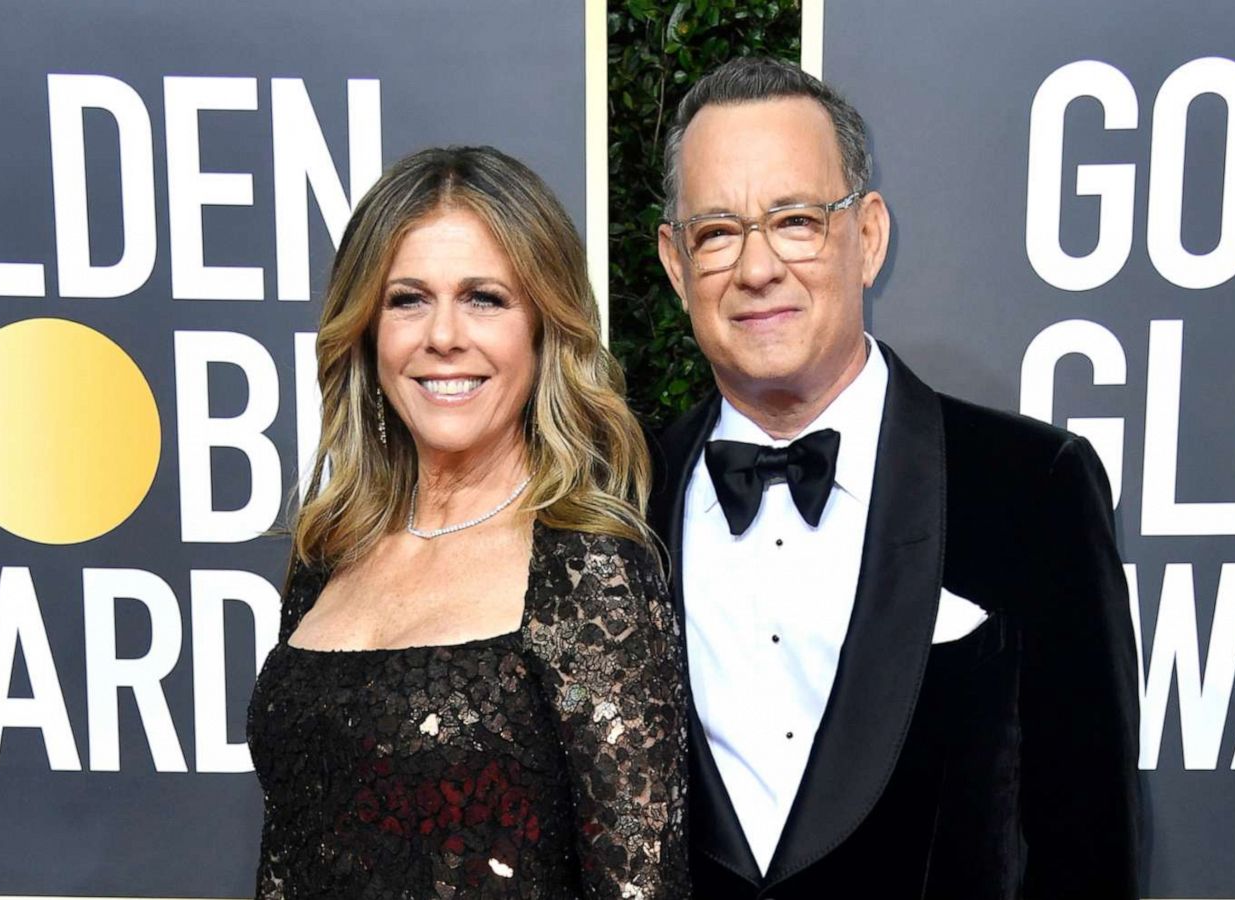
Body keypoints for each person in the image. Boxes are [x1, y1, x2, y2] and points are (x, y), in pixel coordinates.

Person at [649, 57, 1141, 898]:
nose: (757, 268)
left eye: (796, 220)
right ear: (674, 261)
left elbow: (1087, 844)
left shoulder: (1032, 486)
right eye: (718, 232)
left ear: (867, 236)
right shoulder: (619, 497)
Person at [248, 146, 690, 899]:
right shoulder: (335, 548)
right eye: (408, 299)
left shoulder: (589, 574)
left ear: (543, 329)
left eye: (484, 298)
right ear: (366, 329)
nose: (443, 335)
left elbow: (640, 885)